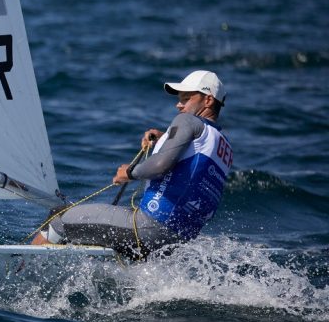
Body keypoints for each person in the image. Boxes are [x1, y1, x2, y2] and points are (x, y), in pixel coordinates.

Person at [34, 70, 233, 258]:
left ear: (208, 100)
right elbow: (191, 165)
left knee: (59, 218)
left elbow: (161, 165)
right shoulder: (223, 146)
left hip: (149, 227)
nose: (179, 106)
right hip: (177, 241)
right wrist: (165, 138)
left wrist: (129, 173)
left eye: (186, 99)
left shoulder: (187, 121)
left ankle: (14, 269)